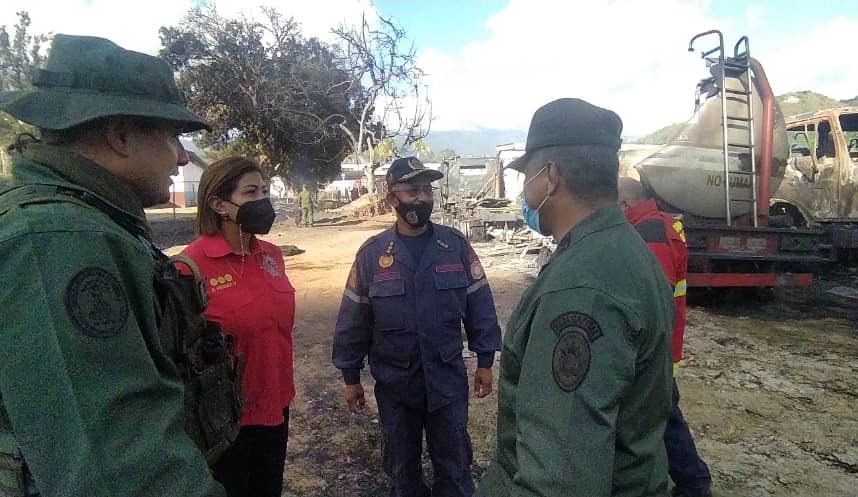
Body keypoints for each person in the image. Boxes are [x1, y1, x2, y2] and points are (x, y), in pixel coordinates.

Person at [0, 34, 229, 496]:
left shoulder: (86, 221)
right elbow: (118, 470)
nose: (182, 156)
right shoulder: (52, 242)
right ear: (120, 135)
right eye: (172, 135)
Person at [477, 98, 674, 497]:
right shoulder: (620, 249)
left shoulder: (583, 288)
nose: (524, 189)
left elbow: (561, 476)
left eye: (527, 175)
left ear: (549, 176)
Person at [332, 156, 502, 497]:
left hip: (446, 382)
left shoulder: (454, 246)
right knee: (401, 472)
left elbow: (480, 305)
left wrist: (485, 361)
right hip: (396, 387)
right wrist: (351, 378)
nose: (422, 198)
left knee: (455, 469)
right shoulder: (372, 254)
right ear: (392, 197)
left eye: (427, 189)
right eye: (412, 190)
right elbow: (354, 319)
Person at [181, 157, 296, 497]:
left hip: (276, 399)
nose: (263, 200)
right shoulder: (191, 267)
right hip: (225, 419)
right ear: (219, 204)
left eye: (264, 190)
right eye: (250, 192)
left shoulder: (273, 255)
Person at [619, 178, 712, 497]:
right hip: (661, 345)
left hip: (654, 348)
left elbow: (652, 299)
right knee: (660, 413)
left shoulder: (650, 233)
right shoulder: (656, 226)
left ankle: (694, 483)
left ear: (623, 206)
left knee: (665, 416)